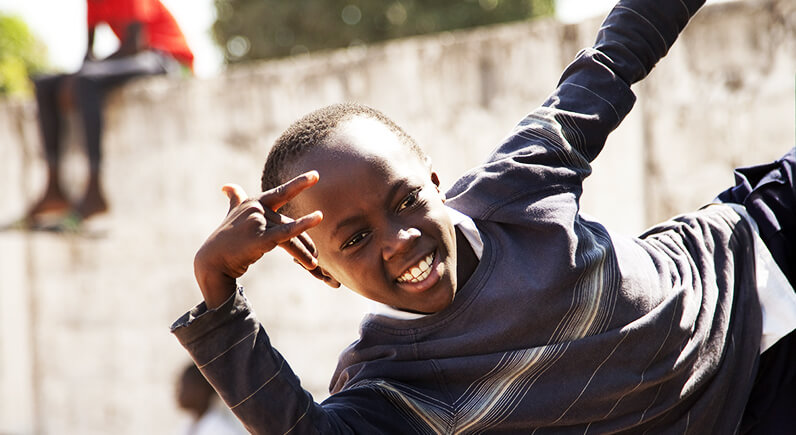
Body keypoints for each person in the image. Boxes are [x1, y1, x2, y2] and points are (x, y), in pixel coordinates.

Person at [172, 0, 796, 433]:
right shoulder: (390, 387)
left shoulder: (515, 188)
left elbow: (613, 61)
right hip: (747, 406)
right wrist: (218, 292)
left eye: (407, 200)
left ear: (437, 182)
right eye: (356, 238)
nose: (400, 239)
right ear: (319, 268)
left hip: (757, 252)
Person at [23, 0, 193, 228]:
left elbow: (135, 44)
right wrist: (72, 78)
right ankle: (53, 188)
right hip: (137, 56)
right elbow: (89, 55)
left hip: (168, 59)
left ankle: (94, 191)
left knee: (86, 81)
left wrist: (81, 75)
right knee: (45, 85)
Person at [175, 363, 247, 435]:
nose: (177, 391)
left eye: (183, 385)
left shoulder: (221, 430)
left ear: (201, 390)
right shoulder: (188, 425)